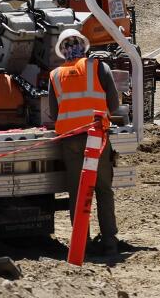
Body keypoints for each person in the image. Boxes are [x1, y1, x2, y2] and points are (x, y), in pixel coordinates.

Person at [49, 29, 121, 256]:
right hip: (96, 138)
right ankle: (109, 241)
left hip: (70, 140)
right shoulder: (99, 67)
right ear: (84, 46)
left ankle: (83, 243)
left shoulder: (55, 75)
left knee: (78, 192)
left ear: (62, 51)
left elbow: (53, 113)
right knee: (103, 190)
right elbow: (114, 104)